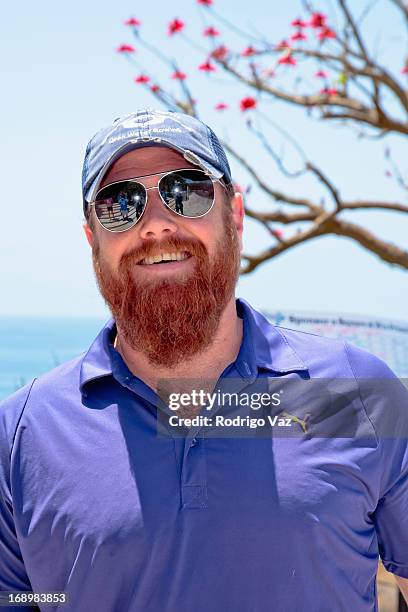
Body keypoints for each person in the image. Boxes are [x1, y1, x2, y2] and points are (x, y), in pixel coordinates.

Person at [0, 108, 407, 612]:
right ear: (92, 238)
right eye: (119, 203)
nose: (155, 225)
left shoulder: (356, 394)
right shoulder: (23, 432)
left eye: (186, 191)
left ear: (234, 214)